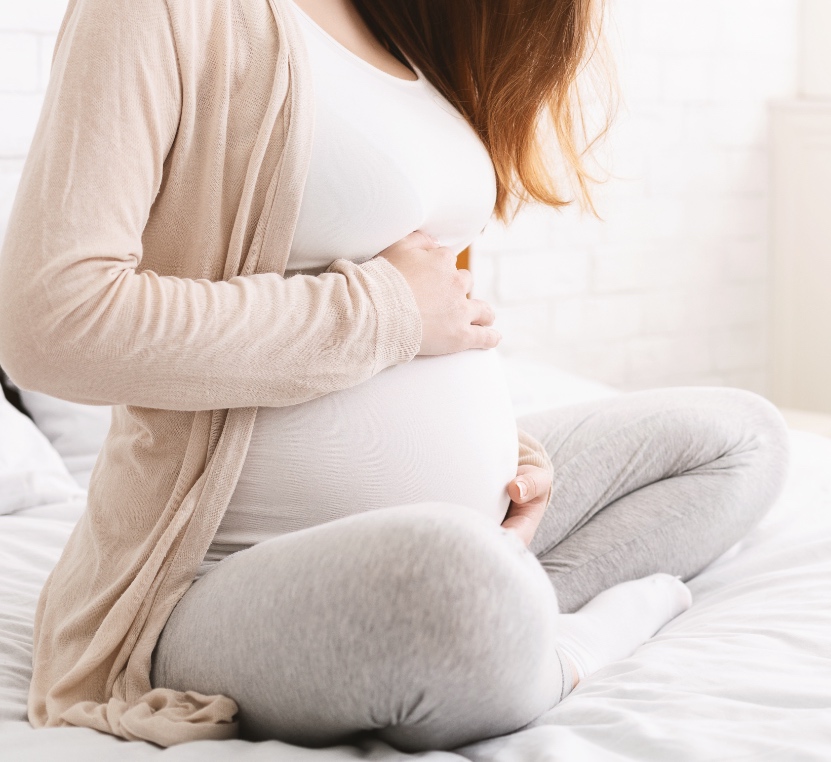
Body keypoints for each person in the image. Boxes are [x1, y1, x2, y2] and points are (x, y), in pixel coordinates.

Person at [0, 0, 790, 751]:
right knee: (453, 588)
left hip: (460, 530)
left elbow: (432, 306)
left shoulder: (405, 23)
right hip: (217, 571)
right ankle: (563, 646)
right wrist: (384, 313)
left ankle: (503, 608)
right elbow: (50, 326)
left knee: (739, 440)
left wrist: (498, 447)